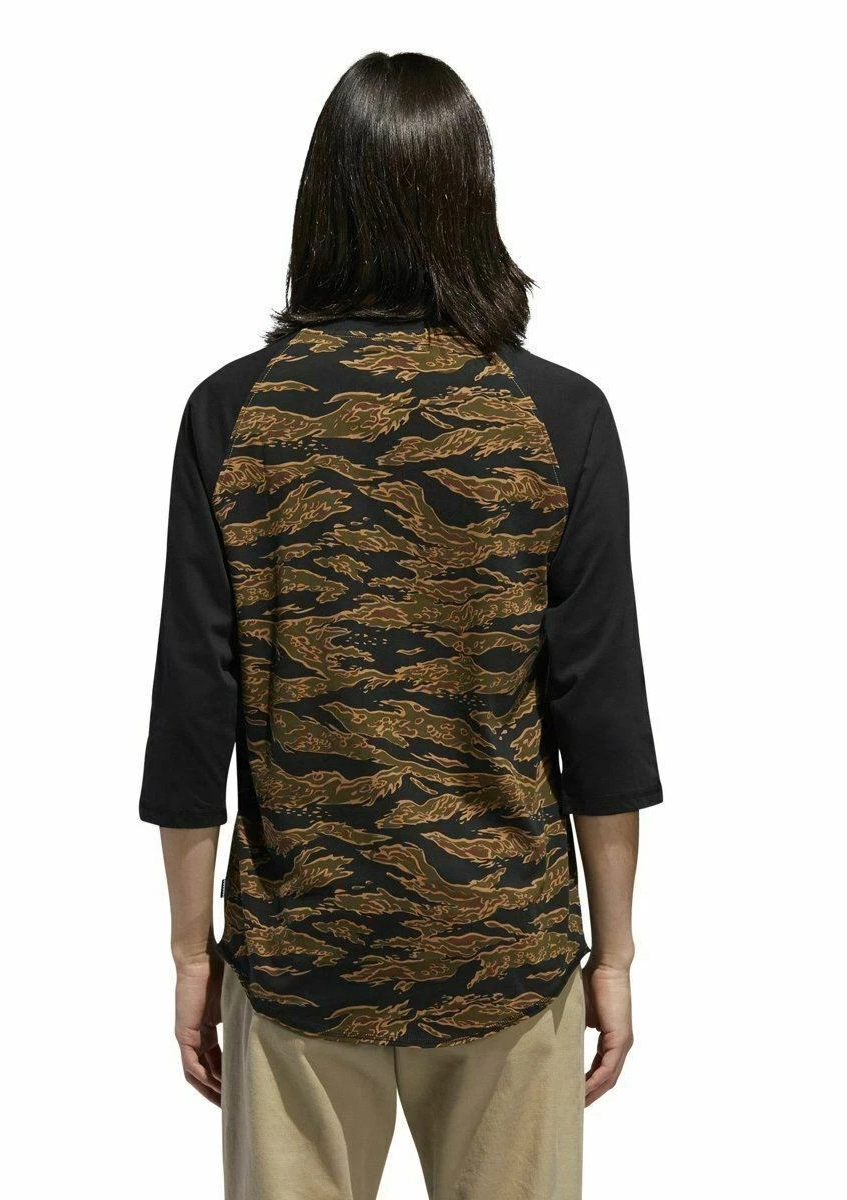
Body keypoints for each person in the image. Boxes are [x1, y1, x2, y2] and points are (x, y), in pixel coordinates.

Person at [139, 51, 662, 1200]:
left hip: (299, 951)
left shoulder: (232, 414)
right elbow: (601, 718)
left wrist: (189, 955)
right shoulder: (557, 417)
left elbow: (191, 711)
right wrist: (613, 957)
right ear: (470, 197)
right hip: (505, 944)